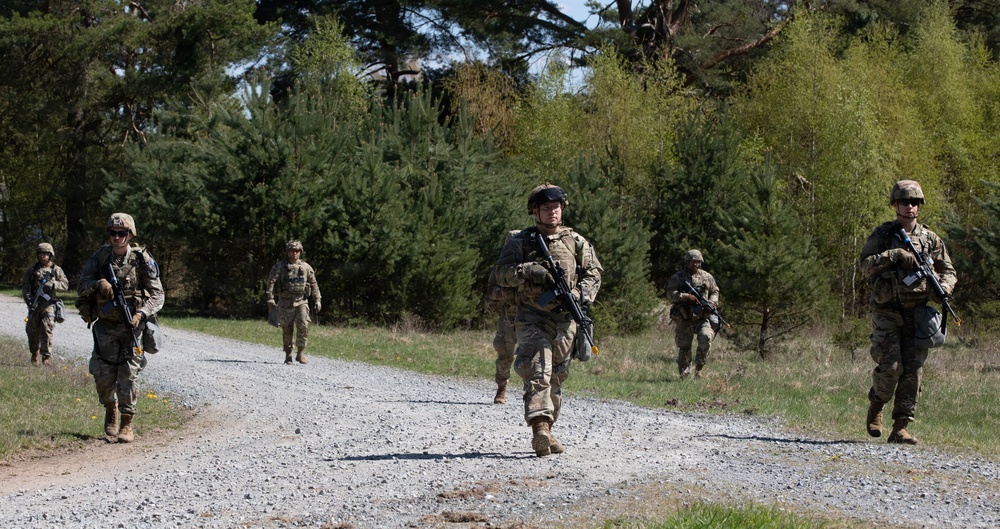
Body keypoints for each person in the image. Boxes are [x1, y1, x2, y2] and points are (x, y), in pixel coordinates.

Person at [495, 184, 602, 457]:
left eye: (556, 207)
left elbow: (594, 273)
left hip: (566, 319)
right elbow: (502, 275)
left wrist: (579, 293)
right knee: (537, 370)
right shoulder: (521, 242)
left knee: (557, 375)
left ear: (562, 209)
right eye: (545, 208)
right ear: (535, 212)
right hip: (533, 316)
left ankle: (548, 427)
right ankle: (539, 426)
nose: (552, 212)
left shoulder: (576, 241)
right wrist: (529, 270)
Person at [860, 180, 957, 445]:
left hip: (918, 313)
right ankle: (877, 405)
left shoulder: (930, 239)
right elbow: (865, 267)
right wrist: (894, 256)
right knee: (891, 367)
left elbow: (948, 270)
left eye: (915, 203)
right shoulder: (882, 235)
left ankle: (900, 427)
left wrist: (944, 288)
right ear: (895, 205)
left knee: (913, 372)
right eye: (905, 202)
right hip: (887, 311)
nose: (910, 207)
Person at [77, 213, 165, 443]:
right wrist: (98, 283)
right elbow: (81, 285)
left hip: (132, 327)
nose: (117, 238)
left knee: (129, 374)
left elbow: (157, 294)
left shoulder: (142, 259)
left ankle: (127, 423)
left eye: (122, 233)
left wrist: (141, 314)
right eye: (113, 233)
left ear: (130, 235)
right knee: (102, 374)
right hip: (105, 326)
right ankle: (110, 410)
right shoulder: (100, 257)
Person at [666, 250, 720, 379]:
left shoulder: (707, 277)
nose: (695, 264)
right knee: (684, 345)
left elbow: (715, 291)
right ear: (687, 262)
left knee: (706, 338)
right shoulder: (678, 277)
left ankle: (699, 369)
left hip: (702, 316)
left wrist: (712, 303)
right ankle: (684, 373)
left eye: (697, 262)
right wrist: (685, 296)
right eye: (693, 262)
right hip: (684, 317)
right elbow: (670, 294)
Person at [266, 240, 322, 365]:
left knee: (303, 326)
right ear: (288, 252)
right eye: (292, 251)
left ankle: (300, 353)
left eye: (297, 251)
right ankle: (288, 354)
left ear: (300, 252)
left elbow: (314, 284)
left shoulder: (306, 267)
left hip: (301, 301)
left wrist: (318, 299)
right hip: (285, 302)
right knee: (287, 328)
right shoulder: (280, 267)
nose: (294, 253)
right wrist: (270, 298)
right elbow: (271, 282)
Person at [487, 230, 523, 404]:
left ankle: (533, 394)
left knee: (533, 357)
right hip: (508, 317)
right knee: (504, 354)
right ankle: (501, 388)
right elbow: (491, 292)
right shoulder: (500, 268)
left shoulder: (531, 266)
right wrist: (509, 292)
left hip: (530, 317)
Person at [21, 242, 69, 366]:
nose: (43, 256)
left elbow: (65, 285)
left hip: (48, 305)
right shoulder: (32, 270)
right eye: (41, 254)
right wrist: (29, 300)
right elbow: (25, 287)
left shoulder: (56, 270)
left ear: (50, 255)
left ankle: (46, 357)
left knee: (47, 329)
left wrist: (52, 284)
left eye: (46, 254)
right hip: (34, 305)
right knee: (32, 330)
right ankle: (34, 354)